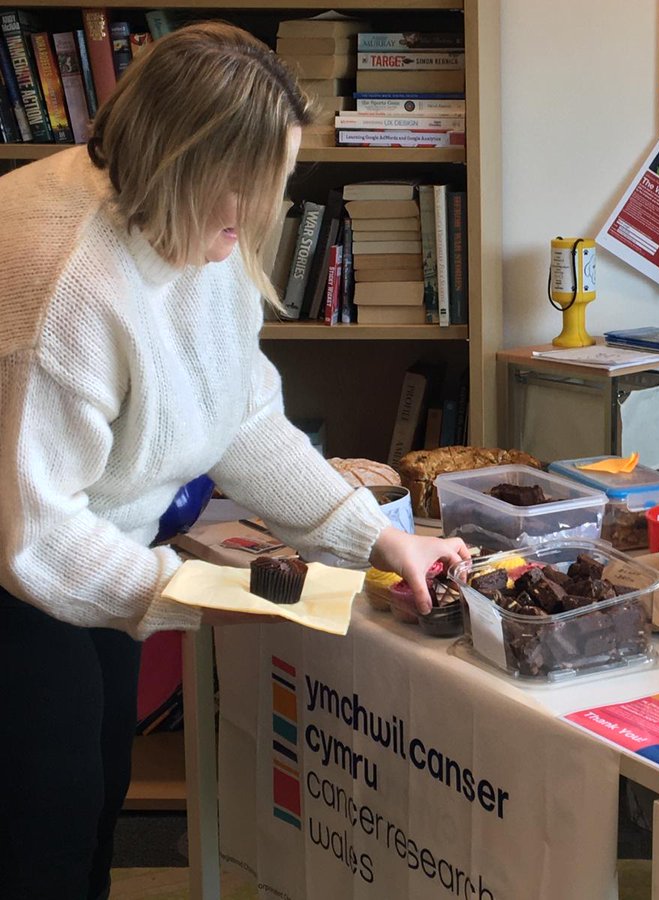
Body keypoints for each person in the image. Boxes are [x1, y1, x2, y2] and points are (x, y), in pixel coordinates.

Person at [0, 23, 469, 899]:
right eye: (248, 193)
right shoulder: (64, 285)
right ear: (180, 162)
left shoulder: (189, 219)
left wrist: (374, 538)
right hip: (16, 569)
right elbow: (35, 536)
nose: (257, 219)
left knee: (96, 791)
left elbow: (242, 416)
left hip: (82, 543)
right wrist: (194, 597)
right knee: (39, 826)